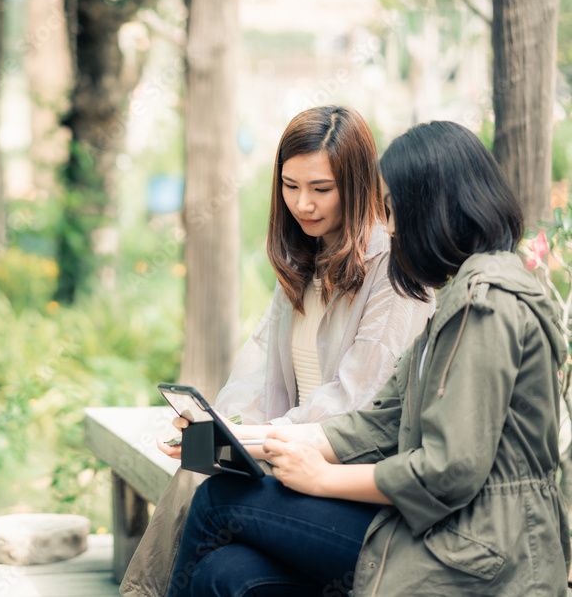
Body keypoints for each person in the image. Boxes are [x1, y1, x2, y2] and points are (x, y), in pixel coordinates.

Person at [167, 120, 571, 596]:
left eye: (396, 211)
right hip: (436, 528)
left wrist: (321, 479)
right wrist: (230, 437)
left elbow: (448, 471)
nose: (391, 228)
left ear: (434, 210)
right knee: (226, 573)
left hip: (477, 549)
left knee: (217, 501)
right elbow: (373, 426)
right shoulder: (458, 298)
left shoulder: (486, 304)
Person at [119, 105, 435, 597]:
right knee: (221, 572)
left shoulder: (395, 270)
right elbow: (257, 373)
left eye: (321, 189)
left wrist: (253, 440)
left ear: (356, 186)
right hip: (291, 469)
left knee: (209, 492)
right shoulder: (303, 259)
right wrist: (220, 429)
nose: (303, 204)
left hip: (354, 491)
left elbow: (355, 408)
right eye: (290, 186)